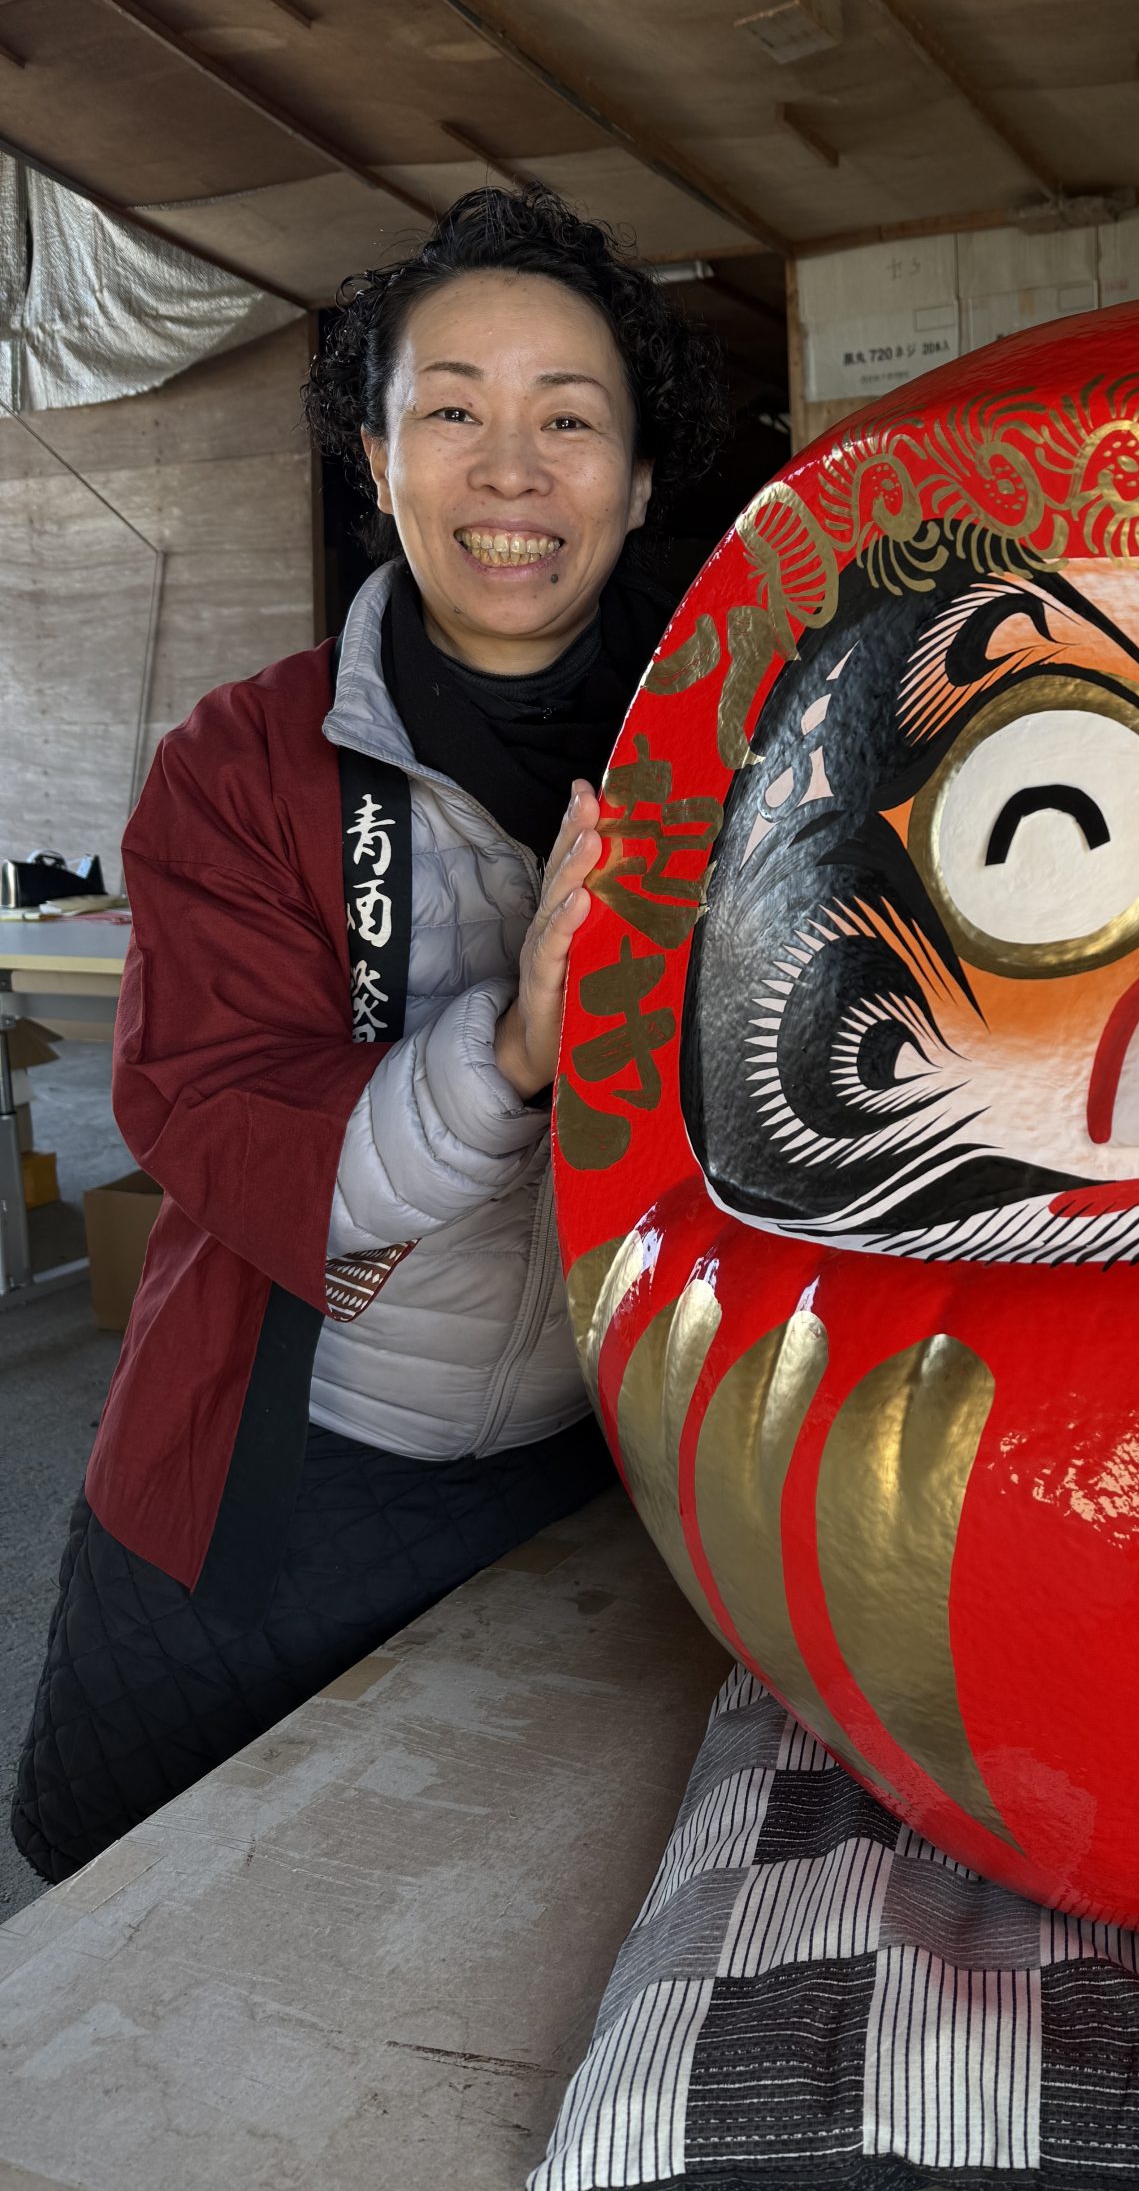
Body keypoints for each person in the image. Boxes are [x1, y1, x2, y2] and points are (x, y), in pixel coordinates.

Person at [11, 185, 726, 1882]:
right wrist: (515, 1049)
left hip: (601, 1472)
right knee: (148, 1904)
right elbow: (222, 1130)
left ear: (637, 479)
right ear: (377, 457)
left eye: (570, 419)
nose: (511, 470)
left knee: (466, 1910)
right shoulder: (242, 767)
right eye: (452, 413)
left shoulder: (736, 746)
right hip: (283, 1469)